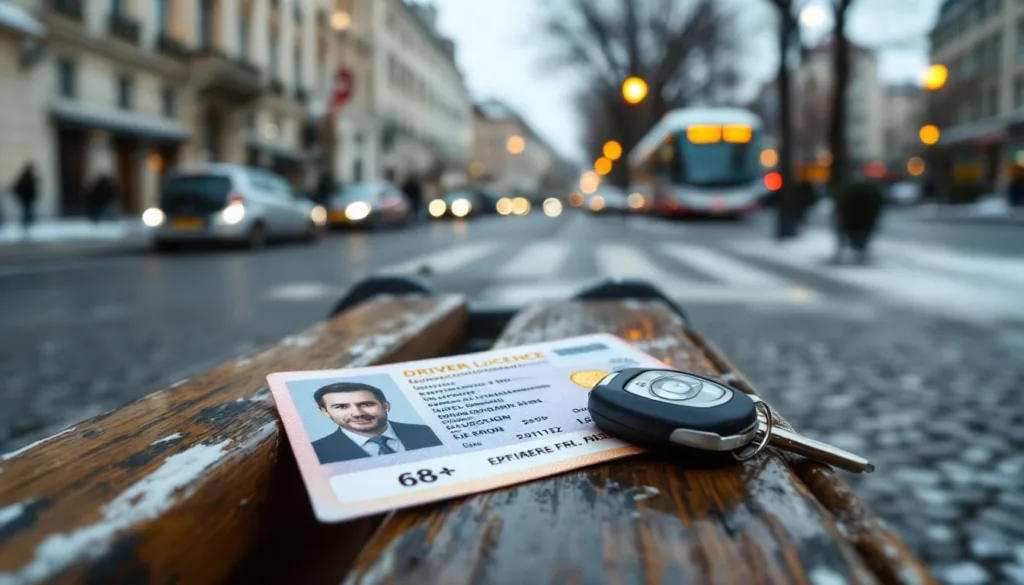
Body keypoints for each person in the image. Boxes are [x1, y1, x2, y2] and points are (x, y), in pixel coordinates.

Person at [311, 382, 442, 464]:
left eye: (367, 404)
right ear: (325, 412)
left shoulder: (428, 432)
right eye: (341, 407)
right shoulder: (316, 452)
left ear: (386, 405)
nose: (358, 413)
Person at [12, 162, 37, 232]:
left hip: (26, 197)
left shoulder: (27, 176)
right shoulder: (27, 177)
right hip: (26, 197)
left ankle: (27, 225)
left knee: (27, 211)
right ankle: (26, 225)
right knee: (27, 211)